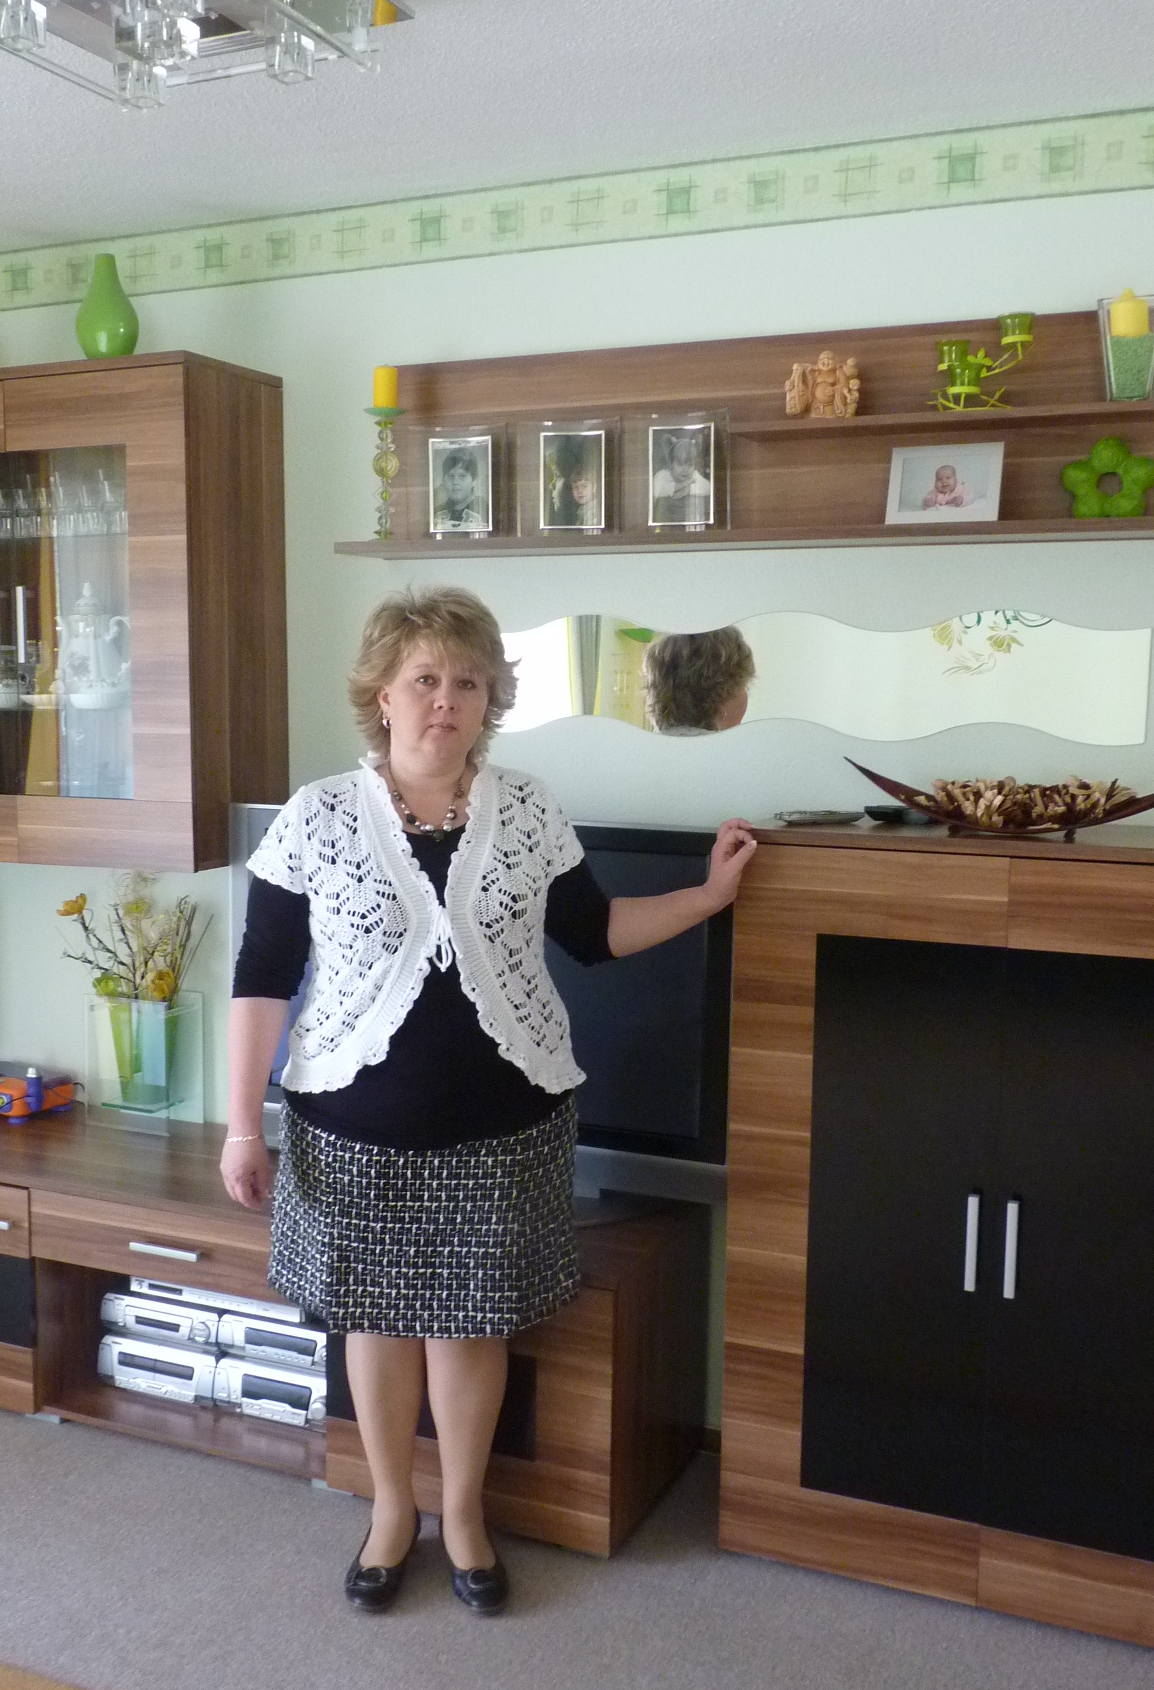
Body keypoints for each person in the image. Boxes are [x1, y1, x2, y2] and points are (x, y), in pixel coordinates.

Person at [222, 586, 756, 1617]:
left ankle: (463, 1516)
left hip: (503, 1131)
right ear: (383, 694)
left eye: (467, 682)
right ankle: (391, 1511)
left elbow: (595, 934)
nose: (446, 700)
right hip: (351, 1128)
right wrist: (244, 1123)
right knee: (376, 1324)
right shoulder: (316, 817)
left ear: (489, 700)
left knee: (471, 1328)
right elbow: (261, 979)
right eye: (425, 679)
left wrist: (707, 895)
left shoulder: (529, 810)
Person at [643, 626, 756, 734]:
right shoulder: (738, 747)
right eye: (744, 686)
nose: (745, 696)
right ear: (725, 693)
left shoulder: (643, 744)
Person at [651, 430, 713, 524]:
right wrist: (687, 483)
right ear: (671, 464)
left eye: (690, 465)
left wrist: (689, 489)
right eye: (680, 464)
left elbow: (708, 487)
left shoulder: (694, 475)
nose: (685, 469)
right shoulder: (663, 475)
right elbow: (658, 490)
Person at [433, 448, 486, 533]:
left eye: (462, 476)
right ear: (443, 480)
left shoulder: (485, 510)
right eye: (450, 476)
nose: (455, 482)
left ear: (474, 480)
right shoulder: (436, 513)